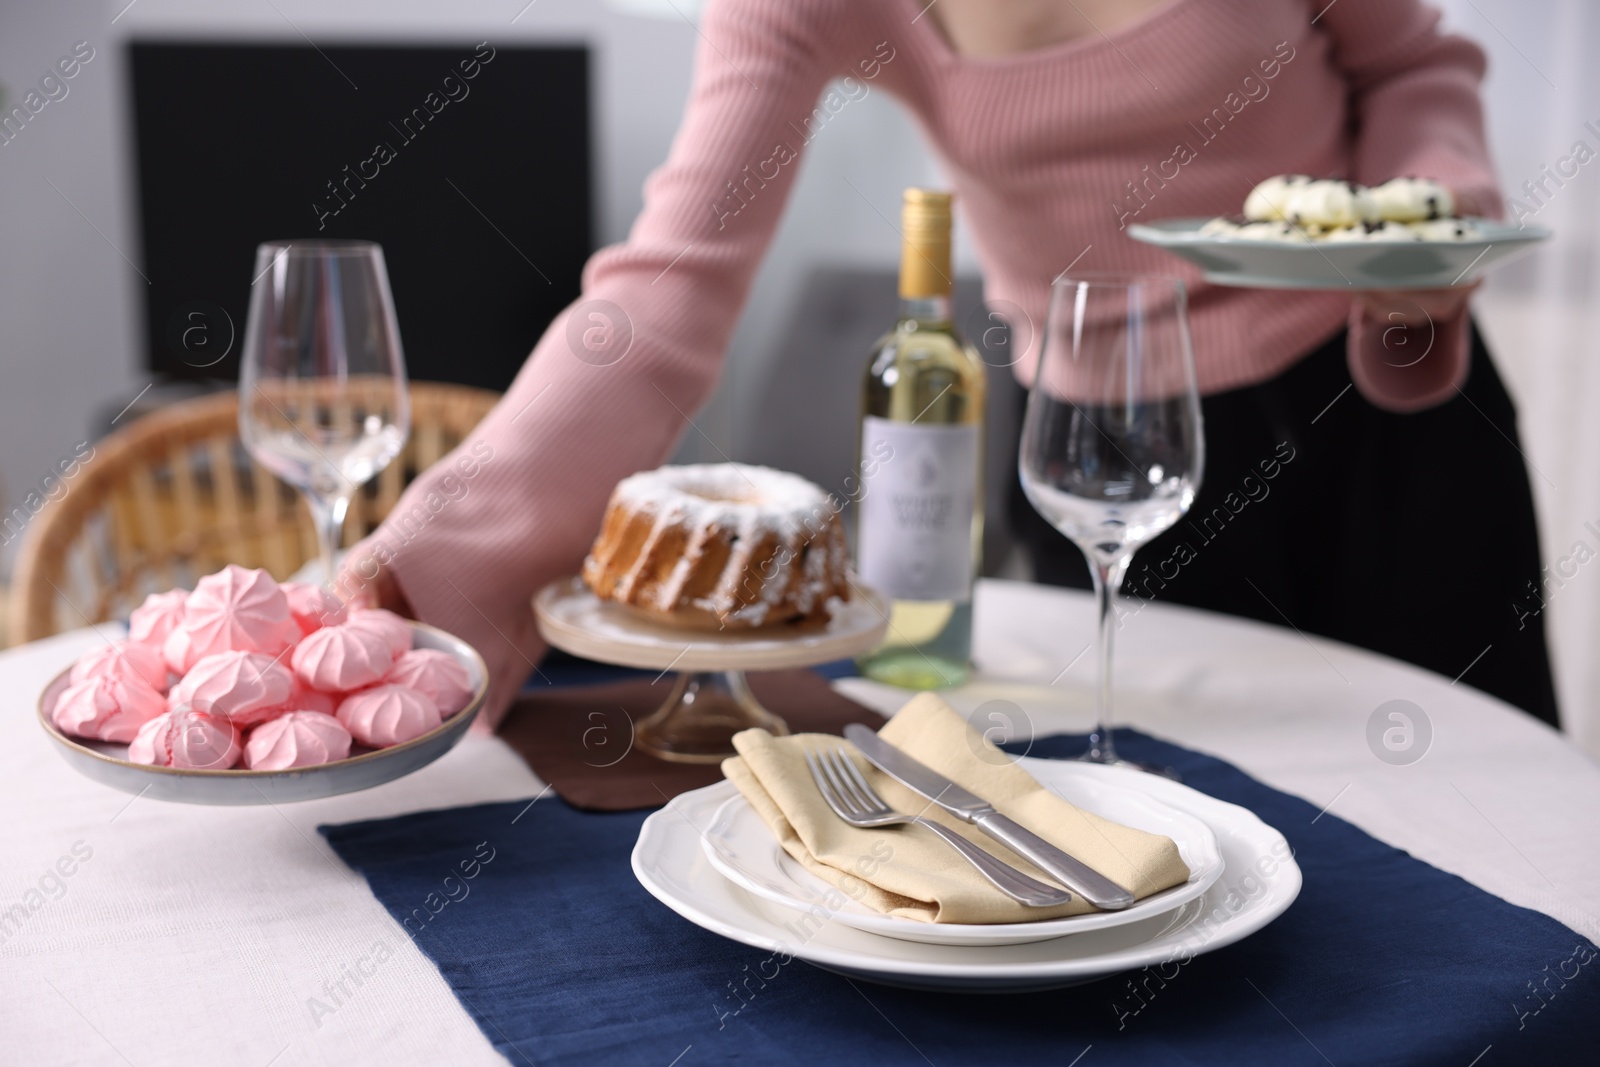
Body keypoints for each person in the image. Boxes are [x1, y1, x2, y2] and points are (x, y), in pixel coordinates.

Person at [341, 0, 1559, 729]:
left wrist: (1431, 215)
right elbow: (662, 293)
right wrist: (438, 538)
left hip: (1381, 413)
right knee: (1207, 849)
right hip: (1108, 454)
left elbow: (1410, 65)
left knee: (1485, 812)